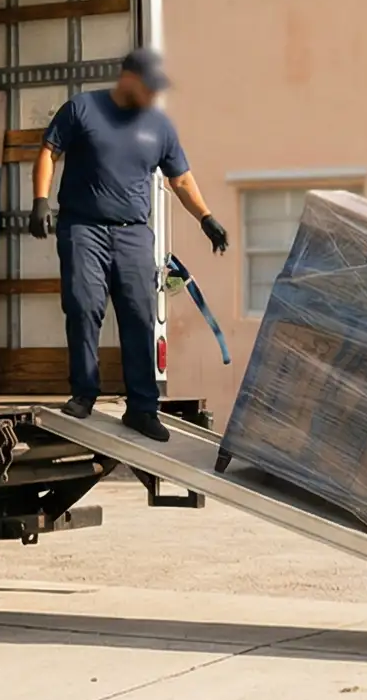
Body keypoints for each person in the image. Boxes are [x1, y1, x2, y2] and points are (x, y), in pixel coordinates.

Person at [29, 48, 229, 442]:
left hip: (134, 233)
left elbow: (182, 180)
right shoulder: (82, 109)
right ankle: (84, 393)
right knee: (84, 306)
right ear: (128, 78)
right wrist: (40, 200)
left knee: (139, 315)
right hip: (83, 227)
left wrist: (206, 217)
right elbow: (49, 152)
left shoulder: (160, 126)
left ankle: (141, 408)